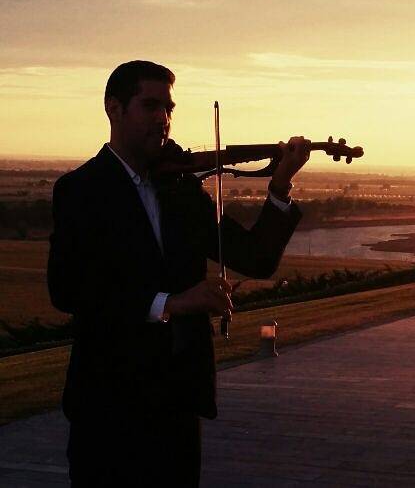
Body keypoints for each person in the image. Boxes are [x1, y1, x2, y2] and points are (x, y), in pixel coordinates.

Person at [48, 60, 307, 487]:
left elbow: (256, 258)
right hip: (108, 410)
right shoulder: (81, 190)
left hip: (178, 407)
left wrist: (279, 187)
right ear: (114, 108)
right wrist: (173, 303)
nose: (163, 119)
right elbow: (68, 290)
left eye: (168, 108)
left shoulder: (183, 191)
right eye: (150, 106)